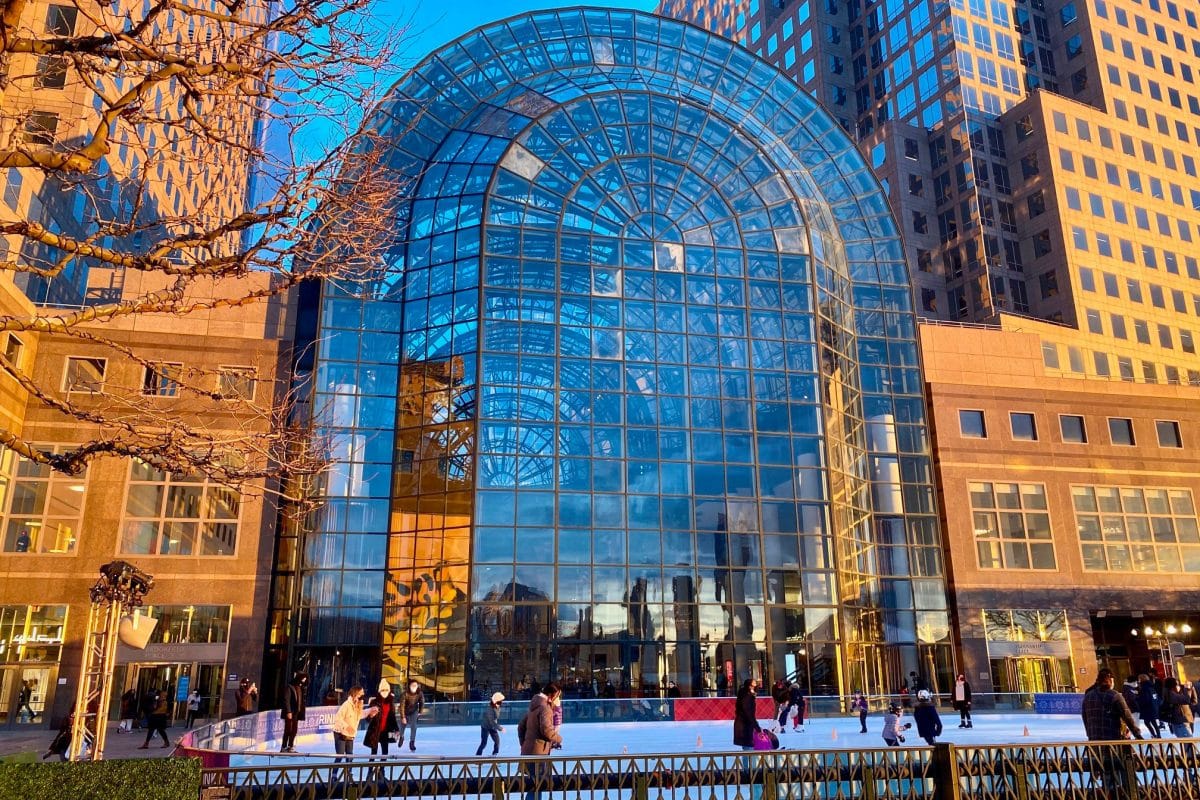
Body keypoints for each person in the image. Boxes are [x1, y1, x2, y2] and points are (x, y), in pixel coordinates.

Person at [1082, 669, 1143, 793]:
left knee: (1106, 773)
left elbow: (1085, 719)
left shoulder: (1088, 697)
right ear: (1110, 680)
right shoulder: (1115, 695)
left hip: (1095, 743)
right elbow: (1128, 717)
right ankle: (1127, 794)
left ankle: (1108, 793)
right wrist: (1137, 734)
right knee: (1123, 770)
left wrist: (1091, 735)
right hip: (1115, 741)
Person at [518, 683, 563, 800]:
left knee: (534, 785)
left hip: (529, 752)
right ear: (551, 695)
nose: (557, 699)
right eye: (557, 696)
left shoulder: (534, 706)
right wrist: (558, 738)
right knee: (538, 784)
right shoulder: (545, 708)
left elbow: (521, 726)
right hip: (538, 754)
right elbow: (546, 730)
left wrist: (524, 743)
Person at [332, 685, 376, 763]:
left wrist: (370, 710)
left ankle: (349, 773)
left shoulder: (358, 704)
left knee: (350, 755)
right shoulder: (346, 705)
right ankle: (334, 774)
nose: (363, 695)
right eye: (361, 693)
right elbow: (338, 718)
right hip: (340, 733)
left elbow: (359, 715)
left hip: (350, 733)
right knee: (340, 755)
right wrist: (347, 727)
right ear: (355, 693)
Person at [363, 679, 399, 758]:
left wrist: (396, 729)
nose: (385, 692)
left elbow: (392, 717)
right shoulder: (374, 702)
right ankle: (370, 769)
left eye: (386, 690)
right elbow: (367, 717)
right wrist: (371, 716)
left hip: (386, 731)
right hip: (375, 730)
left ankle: (382, 769)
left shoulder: (390, 702)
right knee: (373, 752)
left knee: (385, 752)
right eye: (383, 690)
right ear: (379, 691)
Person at [280, 671, 308, 753]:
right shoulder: (290, 686)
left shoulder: (300, 687)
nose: (304, 680)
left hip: (296, 713)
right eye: (303, 678)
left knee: (294, 731)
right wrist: (288, 711)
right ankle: (283, 747)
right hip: (290, 712)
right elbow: (286, 700)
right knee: (288, 730)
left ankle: (290, 746)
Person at [398, 679, 424, 752]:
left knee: (414, 727)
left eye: (415, 685)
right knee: (402, 726)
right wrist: (403, 717)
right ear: (409, 686)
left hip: (414, 711)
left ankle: (412, 742)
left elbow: (422, 702)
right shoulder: (405, 694)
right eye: (412, 685)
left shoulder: (419, 693)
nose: (414, 687)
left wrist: (420, 711)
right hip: (405, 711)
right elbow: (402, 705)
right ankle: (401, 737)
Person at [476, 691, 505, 756]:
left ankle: (494, 754)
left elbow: (494, 720)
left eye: (501, 702)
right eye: (499, 702)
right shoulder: (489, 709)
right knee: (484, 743)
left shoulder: (498, 707)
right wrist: (500, 728)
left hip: (493, 727)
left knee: (497, 741)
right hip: (486, 727)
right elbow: (491, 721)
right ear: (495, 702)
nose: (501, 704)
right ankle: (477, 757)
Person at [1136, 673, 1163, 738]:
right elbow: (1156, 697)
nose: (1138, 681)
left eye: (1139, 679)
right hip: (1153, 707)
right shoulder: (1151, 686)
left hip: (1148, 708)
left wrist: (1137, 698)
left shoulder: (1144, 688)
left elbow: (1145, 699)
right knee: (1153, 722)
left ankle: (1155, 735)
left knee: (1148, 722)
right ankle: (1157, 735)